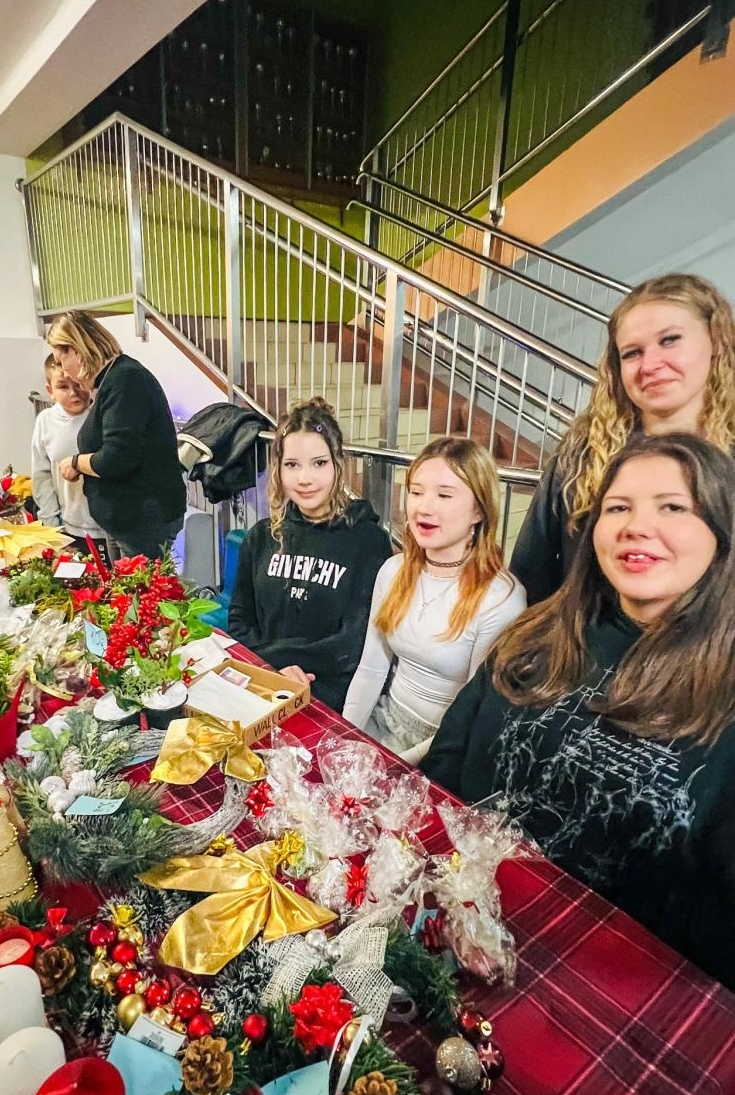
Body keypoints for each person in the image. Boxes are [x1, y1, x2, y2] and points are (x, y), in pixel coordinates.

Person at [421, 434, 735, 988]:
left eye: (673, 507)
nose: (638, 525)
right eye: (619, 507)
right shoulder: (539, 632)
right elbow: (449, 754)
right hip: (449, 920)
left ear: (721, 534)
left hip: (599, 984)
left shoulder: (723, 699)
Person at [510, 273, 735, 604]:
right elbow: (531, 570)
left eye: (670, 340)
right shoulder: (585, 450)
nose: (651, 364)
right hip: (585, 647)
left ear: (715, 341)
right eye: (632, 353)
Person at [343, 438, 525, 763]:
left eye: (444, 495)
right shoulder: (393, 570)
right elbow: (371, 669)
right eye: (416, 491)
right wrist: (345, 738)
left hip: (443, 748)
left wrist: (395, 766)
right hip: (384, 722)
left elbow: (471, 717)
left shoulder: (501, 599)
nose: (424, 507)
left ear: (479, 511)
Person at [228, 397, 392, 711]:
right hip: (265, 687)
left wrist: (288, 667)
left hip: (330, 697)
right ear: (278, 468)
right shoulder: (261, 537)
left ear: (338, 464)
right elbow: (239, 621)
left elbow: (354, 642)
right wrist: (274, 671)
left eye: (319, 463)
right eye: (292, 465)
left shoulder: (369, 542)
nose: (305, 478)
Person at [46, 311, 185, 560]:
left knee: (140, 597)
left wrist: (77, 462)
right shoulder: (113, 379)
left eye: (60, 359)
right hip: (126, 521)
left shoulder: (126, 380)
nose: (64, 371)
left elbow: (116, 458)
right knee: (125, 595)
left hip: (142, 520)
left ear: (76, 349)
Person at [31, 355, 108, 555]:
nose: (74, 393)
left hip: (109, 528)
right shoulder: (45, 421)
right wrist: (52, 526)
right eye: (63, 387)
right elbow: (41, 476)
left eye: (78, 383)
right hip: (70, 529)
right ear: (51, 391)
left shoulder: (102, 415)